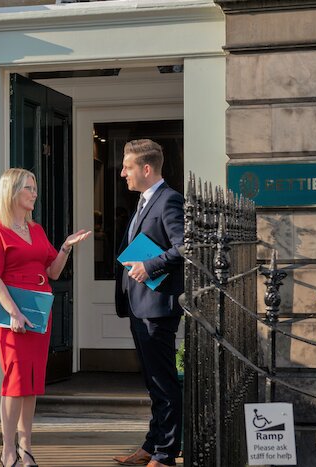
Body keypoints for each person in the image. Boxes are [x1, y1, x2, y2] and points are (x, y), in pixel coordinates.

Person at [0, 168, 91, 467]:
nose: (34, 193)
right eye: (29, 188)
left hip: (39, 313)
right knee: (14, 381)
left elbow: (53, 272)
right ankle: (7, 450)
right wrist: (13, 312)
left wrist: (66, 247)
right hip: (13, 316)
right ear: (12, 192)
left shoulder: (37, 230)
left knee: (31, 383)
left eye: (34, 188)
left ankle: (26, 447)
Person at [113, 140, 184, 467]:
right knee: (152, 383)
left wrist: (149, 265)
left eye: (127, 167)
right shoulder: (143, 201)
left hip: (157, 308)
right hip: (139, 306)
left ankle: (166, 455)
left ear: (146, 168)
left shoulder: (169, 200)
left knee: (163, 382)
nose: (123, 173)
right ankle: (151, 445)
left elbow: (185, 247)